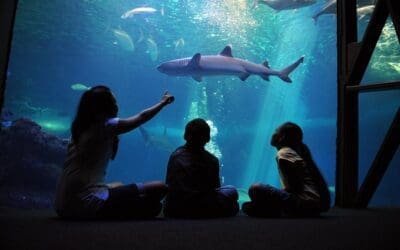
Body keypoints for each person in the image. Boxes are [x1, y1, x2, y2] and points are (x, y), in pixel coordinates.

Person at [55, 85, 174, 219]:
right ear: (103, 107)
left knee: (118, 185)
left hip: (62, 202)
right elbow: (142, 116)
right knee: (160, 188)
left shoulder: (79, 127)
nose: (117, 106)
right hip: (85, 202)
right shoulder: (106, 125)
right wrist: (162, 103)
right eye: (113, 102)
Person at [242, 122, 331, 217]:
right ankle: (280, 211)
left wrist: (276, 196)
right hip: (314, 203)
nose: (273, 133)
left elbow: (295, 186)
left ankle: (287, 211)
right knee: (249, 207)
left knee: (254, 189)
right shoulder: (295, 153)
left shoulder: (284, 153)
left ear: (282, 136)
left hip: (305, 203)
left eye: (276, 131)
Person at [164, 118, 239, 218]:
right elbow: (215, 187)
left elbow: (169, 184)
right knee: (232, 191)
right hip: (203, 206)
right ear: (208, 139)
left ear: (185, 136)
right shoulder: (212, 160)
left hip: (174, 209)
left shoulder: (175, 156)